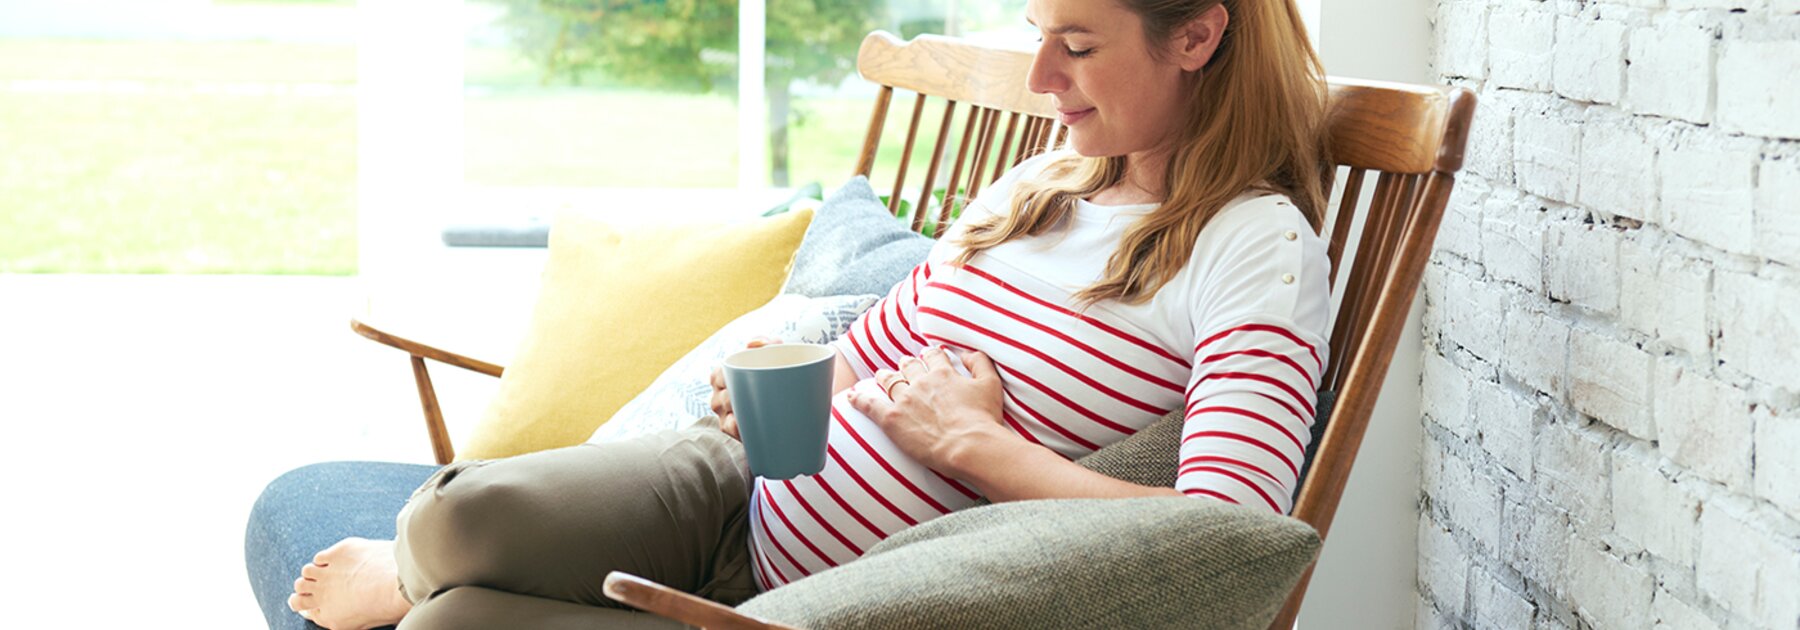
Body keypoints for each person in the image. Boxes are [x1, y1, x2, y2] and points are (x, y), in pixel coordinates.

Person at [276, 0, 1331, 627]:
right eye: (1036, 31)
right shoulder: (1050, 177)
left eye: (1080, 43)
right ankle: (415, 561)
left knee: (456, 624)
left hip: (820, 603)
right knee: (461, 518)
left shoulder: (1254, 245)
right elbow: (892, 348)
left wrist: (978, 445)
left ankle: (422, 585)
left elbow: (1230, 534)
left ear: (1197, 36)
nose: (1043, 75)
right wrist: (817, 378)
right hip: (734, 488)